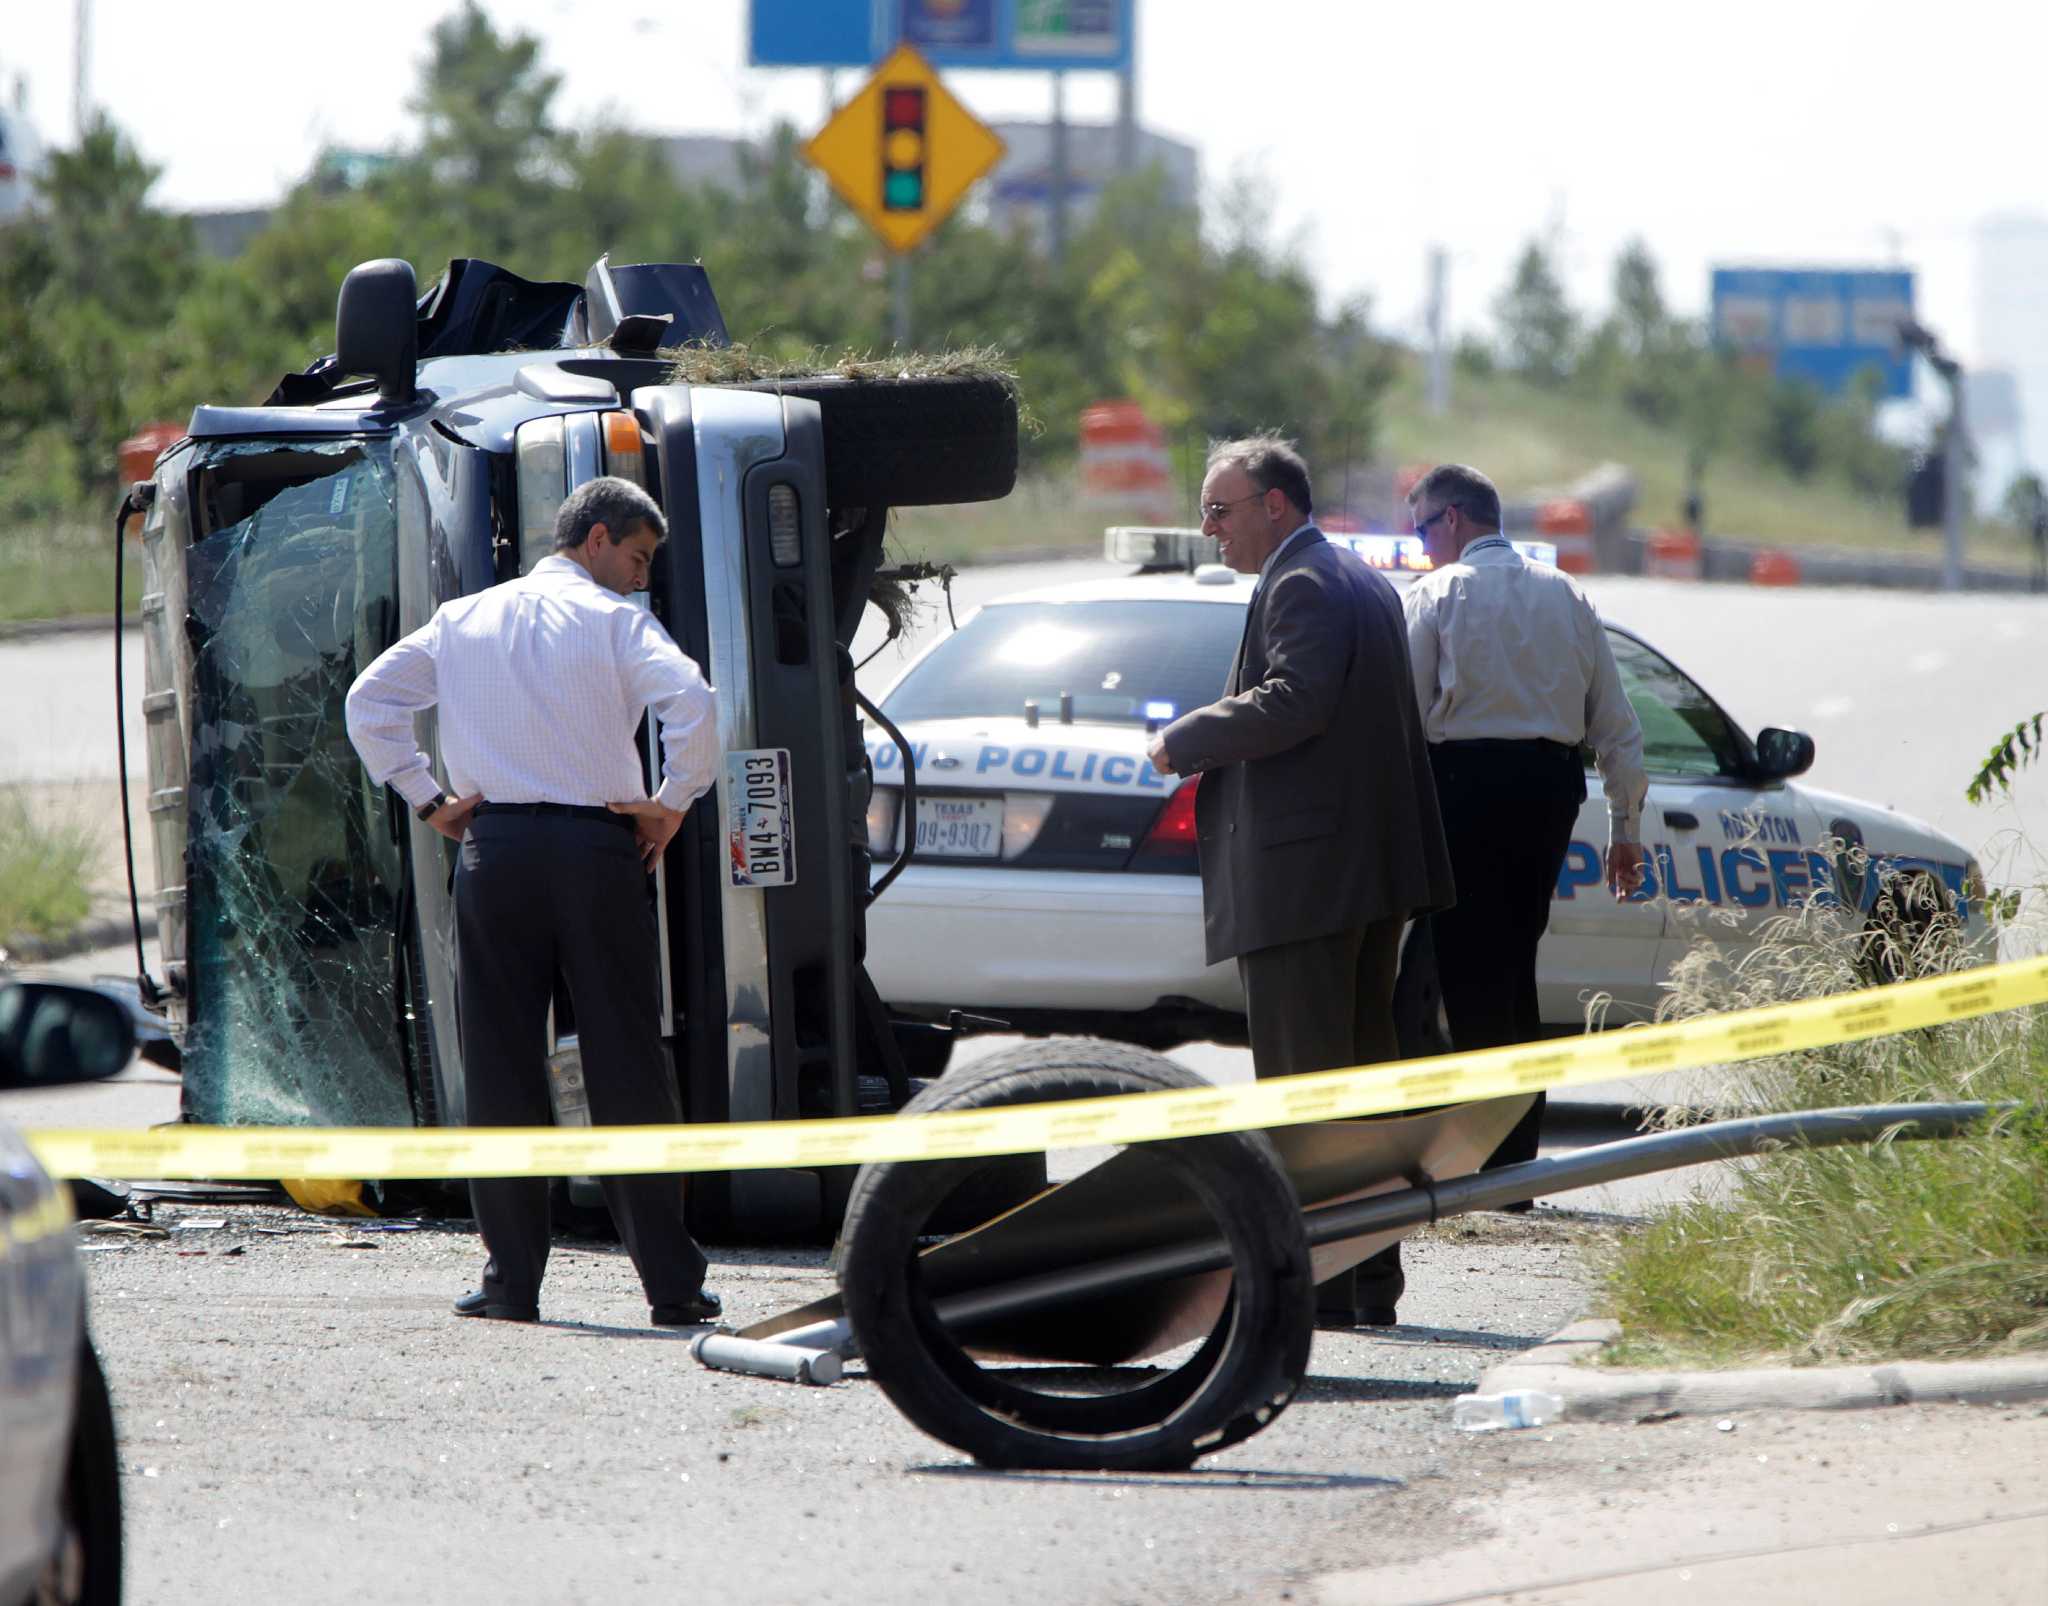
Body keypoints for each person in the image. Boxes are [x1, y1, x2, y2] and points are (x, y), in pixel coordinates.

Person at [345, 476, 723, 1327]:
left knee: (503, 1069)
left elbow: (369, 704)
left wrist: (427, 799)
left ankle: (511, 1283)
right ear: (594, 539)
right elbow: (693, 703)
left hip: (497, 853)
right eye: (635, 557)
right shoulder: (619, 622)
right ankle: (672, 1287)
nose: (638, 576)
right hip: (598, 852)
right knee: (627, 1065)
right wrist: (671, 800)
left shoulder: (464, 620)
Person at [1149, 437, 1455, 1327]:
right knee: (1358, 1085)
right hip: (1355, 877)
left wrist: (1189, 735)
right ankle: (1362, 1285)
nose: (1208, 529)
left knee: (1307, 1091)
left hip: (1309, 880)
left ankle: (1313, 1290)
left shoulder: (1304, 581)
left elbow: (1296, 698)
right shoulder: (1349, 575)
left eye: (1221, 509)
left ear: (1275, 506)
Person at [1402, 464, 1647, 1197]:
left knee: (1468, 973)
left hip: (1464, 787)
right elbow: (1618, 728)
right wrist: (1626, 829)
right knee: (1512, 967)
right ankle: (1515, 1157)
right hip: (1548, 791)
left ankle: (1493, 1166)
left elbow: (1407, 719)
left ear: (1452, 520)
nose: (1420, 546)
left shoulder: (1436, 595)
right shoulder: (1565, 592)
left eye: (1420, 529)